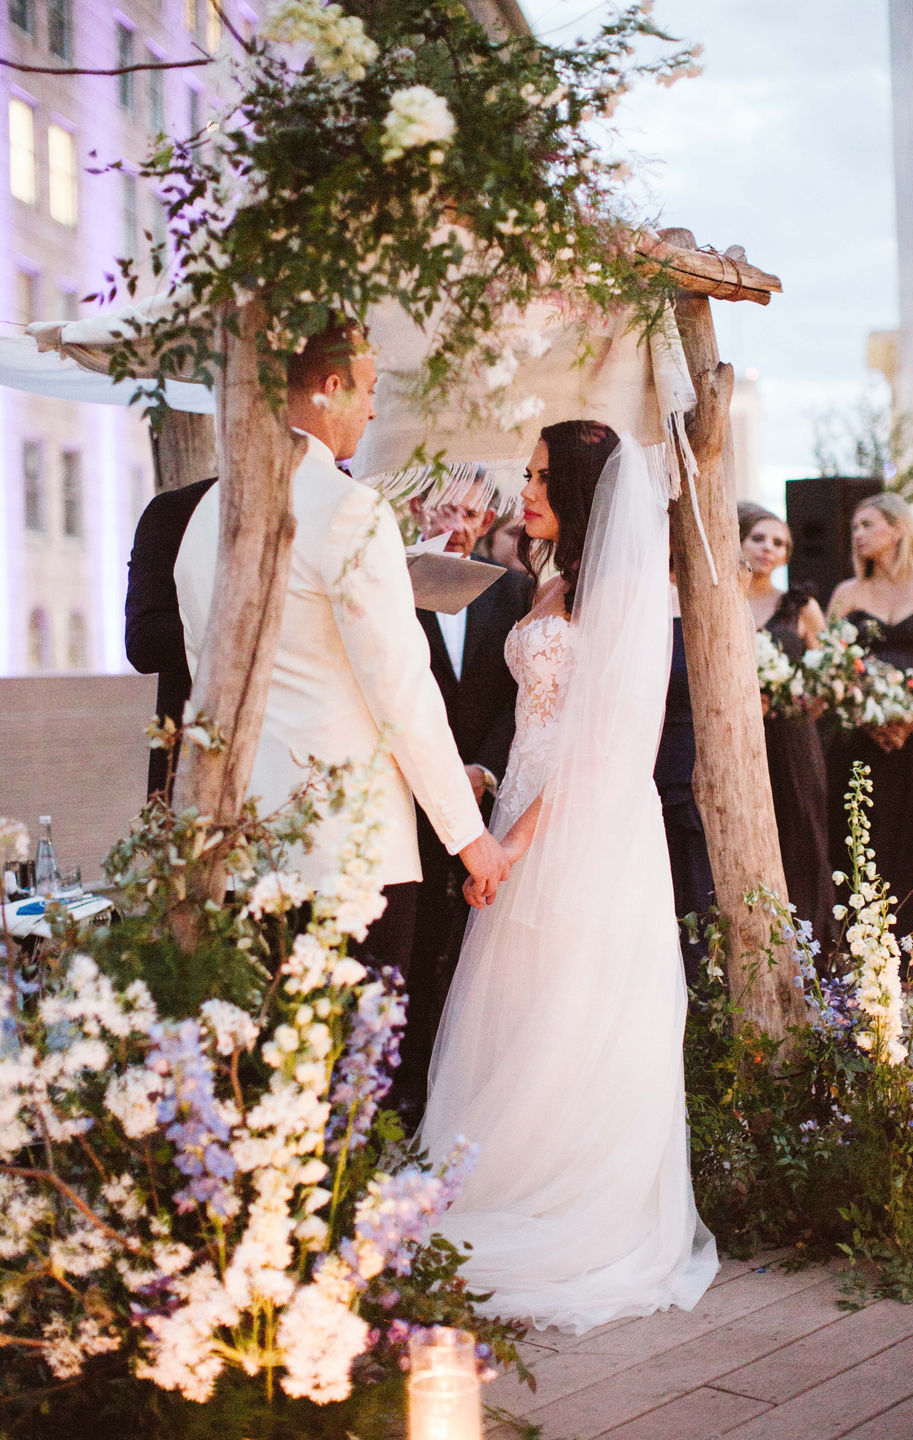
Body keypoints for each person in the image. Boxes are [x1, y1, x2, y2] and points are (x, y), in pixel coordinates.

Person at [419, 420, 718, 1334]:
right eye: (531, 473)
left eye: (546, 478)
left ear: (587, 492)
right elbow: (537, 719)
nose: (530, 489)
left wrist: (517, 843)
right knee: (515, 1010)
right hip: (519, 814)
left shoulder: (626, 588)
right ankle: (507, 1175)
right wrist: (488, 788)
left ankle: (568, 1200)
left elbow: (601, 748)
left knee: (576, 1013)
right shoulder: (548, 582)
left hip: (584, 829)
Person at [174, 322, 510, 978]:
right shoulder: (350, 509)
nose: (375, 408)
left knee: (279, 1069)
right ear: (331, 389)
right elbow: (402, 689)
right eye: (368, 389)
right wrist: (469, 838)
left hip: (244, 851)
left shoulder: (206, 515)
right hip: (352, 857)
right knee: (353, 1067)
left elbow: (203, 679)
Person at [400, 481, 533, 1121]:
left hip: (486, 795)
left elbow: (522, 696)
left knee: (475, 946)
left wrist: (484, 768)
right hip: (405, 797)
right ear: (419, 507)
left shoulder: (509, 591)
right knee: (414, 944)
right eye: (447, 507)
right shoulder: (393, 585)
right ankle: (406, 1087)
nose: (459, 523)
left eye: (473, 512)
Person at [828, 491, 913, 930]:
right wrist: (869, 715)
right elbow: (832, 663)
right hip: (864, 733)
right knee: (868, 831)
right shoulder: (847, 594)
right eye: (854, 528)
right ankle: (869, 943)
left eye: (867, 525)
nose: (858, 535)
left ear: (898, 527)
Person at [739, 504, 833, 949]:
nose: (768, 548)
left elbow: (832, 671)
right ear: (740, 541)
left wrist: (802, 698)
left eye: (779, 543)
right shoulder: (722, 597)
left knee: (800, 831)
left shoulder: (800, 605)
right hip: (737, 736)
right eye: (759, 538)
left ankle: (807, 945)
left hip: (792, 736)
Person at [125, 474, 217, 800]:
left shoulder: (348, 504)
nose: (371, 417)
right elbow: (143, 641)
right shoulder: (178, 512)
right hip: (199, 767)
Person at [654, 574, 714, 985]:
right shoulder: (624, 588)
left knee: (698, 889)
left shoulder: (709, 590)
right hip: (639, 761)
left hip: (694, 765)